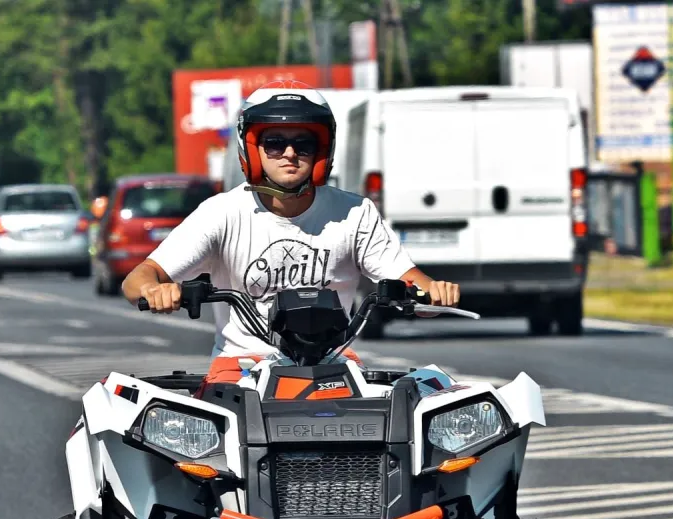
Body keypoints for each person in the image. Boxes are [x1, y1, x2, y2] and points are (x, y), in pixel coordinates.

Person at [122, 80, 461, 386]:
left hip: (332, 366)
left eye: (303, 143)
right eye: (274, 143)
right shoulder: (222, 213)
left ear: (321, 151)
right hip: (240, 368)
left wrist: (433, 293)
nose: (289, 153)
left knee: (415, 412)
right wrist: (155, 291)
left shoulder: (355, 213)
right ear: (252, 149)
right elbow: (137, 279)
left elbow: (413, 282)